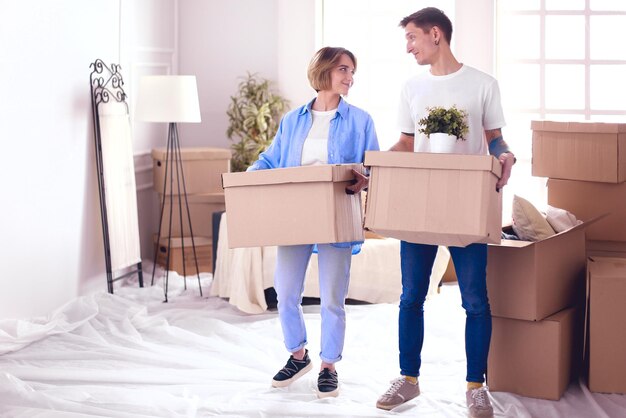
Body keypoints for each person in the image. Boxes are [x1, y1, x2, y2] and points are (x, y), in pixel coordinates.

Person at [374, 8, 515, 418]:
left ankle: (475, 386)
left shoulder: (483, 84)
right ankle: (409, 380)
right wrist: (374, 164)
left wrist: (505, 156)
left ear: (436, 34)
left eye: (412, 38)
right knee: (411, 297)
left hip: (465, 205)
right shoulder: (412, 87)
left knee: (474, 301)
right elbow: (404, 144)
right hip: (419, 202)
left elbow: (495, 139)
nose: (408, 47)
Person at [247, 46, 379, 398]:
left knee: (332, 298)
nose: (350, 77)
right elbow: (271, 159)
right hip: (295, 215)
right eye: (344, 70)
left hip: (338, 214)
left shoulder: (361, 120)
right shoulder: (292, 120)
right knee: (286, 291)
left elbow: (374, 166)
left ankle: (328, 366)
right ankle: (298, 355)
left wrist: (367, 177)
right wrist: (244, 182)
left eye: (352, 71)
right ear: (324, 72)